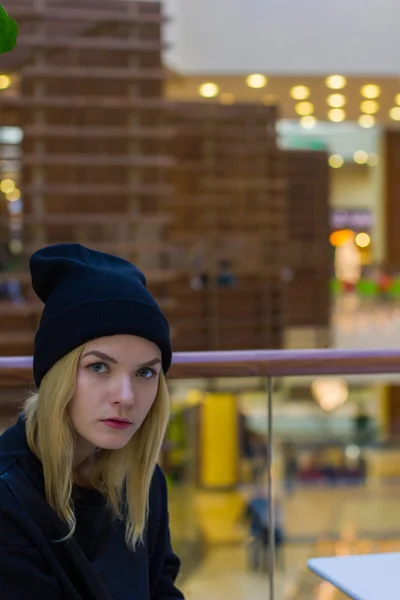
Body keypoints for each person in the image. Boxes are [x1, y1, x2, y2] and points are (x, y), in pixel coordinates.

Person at [0, 243, 184, 600]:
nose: (126, 397)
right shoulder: (9, 499)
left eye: (145, 372)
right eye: (99, 367)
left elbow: (163, 589)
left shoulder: (142, 481)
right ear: (58, 376)